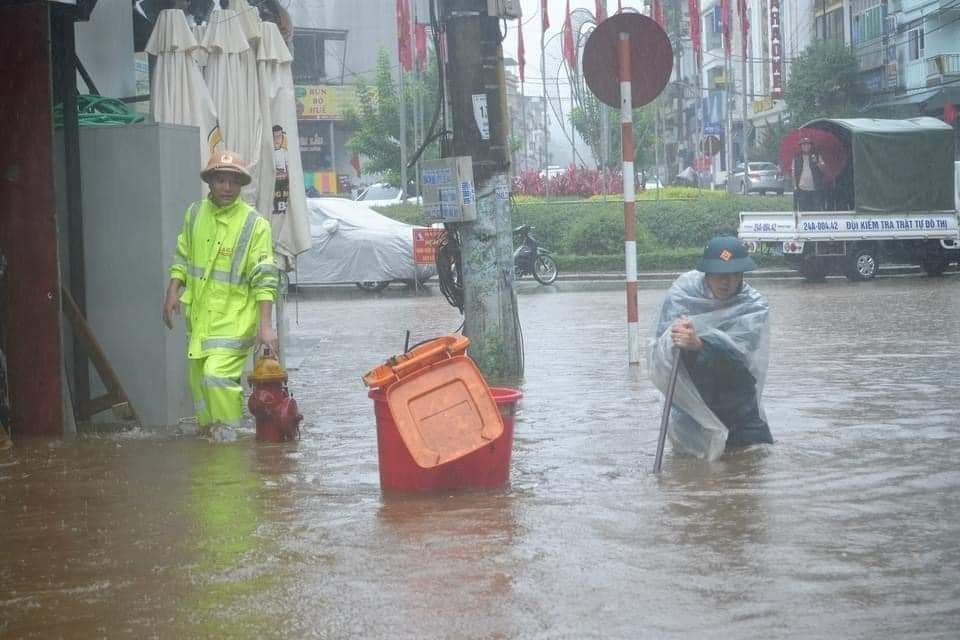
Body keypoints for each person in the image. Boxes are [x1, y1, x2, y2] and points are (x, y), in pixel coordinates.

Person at [163, 152, 280, 439]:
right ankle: (210, 444)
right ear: (210, 183)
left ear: (241, 185)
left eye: (233, 181)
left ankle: (232, 440)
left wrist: (265, 327)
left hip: (235, 319)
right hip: (201, 321)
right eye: (220, 180)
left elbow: (265, 278)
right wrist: (172, 291)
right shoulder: (194, 214)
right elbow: (182, 256)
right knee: (200, 385)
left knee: (216, 375)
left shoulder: (255, 225)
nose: (227, 187)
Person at [649, 236, 773, 460]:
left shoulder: (753, 307)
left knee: (754, 460)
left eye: (735, 275)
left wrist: (700, 345)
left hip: (738, 404)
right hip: (692, 406)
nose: (727, 282)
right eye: (721, 275)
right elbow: (659, 353)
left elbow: (741, 361)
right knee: (692, 466)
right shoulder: (681, 297)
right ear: (707, 274)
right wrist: (673, 338)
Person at [792, 137, 826, 211]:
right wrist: (795, 186)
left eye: (808, 145)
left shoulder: (816, 155)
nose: (806, 146)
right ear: (801, 146)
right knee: (804, 210)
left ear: (811, 146)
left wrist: (817, 162)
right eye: (803, 145)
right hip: (802, 188)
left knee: (816, 210)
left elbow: (823, 169)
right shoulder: (797, 157)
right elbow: (793, 172)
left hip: (815, 188)